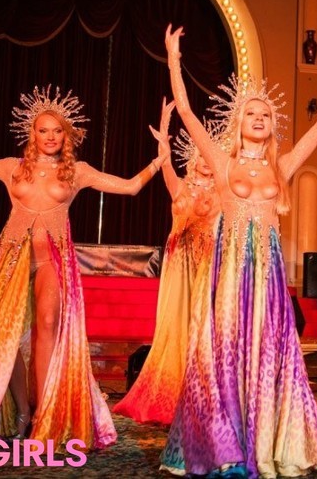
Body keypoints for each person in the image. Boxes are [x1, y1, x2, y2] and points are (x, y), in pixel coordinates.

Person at [0, 87, 170, 449]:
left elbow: (130, 187)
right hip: (12, 257)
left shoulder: (77, 172)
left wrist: (160, 159)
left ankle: (45, 415)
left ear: (66, 136)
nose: (50, 137)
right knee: (5, 339)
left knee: (49, 324)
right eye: (43, 130)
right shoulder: (11, 167)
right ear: (32, 134)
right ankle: (23, 410)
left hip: (52, 259)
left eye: (57, 131)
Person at [160, 24, 317, 478]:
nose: (259, 118)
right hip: (228, 272)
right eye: (251, 113)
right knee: (223, 350)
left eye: (265, 114)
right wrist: (174, 59)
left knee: (267, 351)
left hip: (267, 273)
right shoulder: (221, 163)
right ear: (238, 123)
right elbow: (186, 111)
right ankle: (222, 443)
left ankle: (264, 439)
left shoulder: (282, 166)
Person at [113, 110, 222, 424]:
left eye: (210, 156)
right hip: (178, 264)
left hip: (206, 262)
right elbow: (165, 165)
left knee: (203, 325)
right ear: (193, 157)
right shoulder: (180, 187)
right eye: (200, 154)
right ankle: (170, 393)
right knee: (174, 325)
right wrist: (164, 140)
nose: (205, 161)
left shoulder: (222, 191)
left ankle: (201, 394)